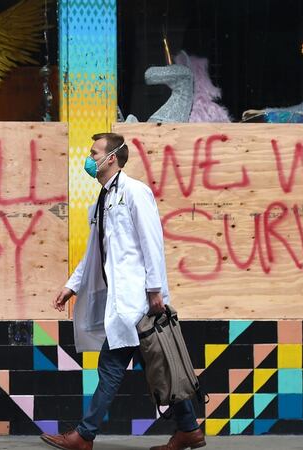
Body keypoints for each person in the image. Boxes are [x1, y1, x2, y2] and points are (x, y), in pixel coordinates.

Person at [40, 133, 206, 450]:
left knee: (112, 368)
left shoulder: (135, 192)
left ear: (111, 157)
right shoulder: (101, 201)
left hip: (139, 302)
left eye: (93, 153)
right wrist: (71, 285)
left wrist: (155, 289)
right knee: (159, 365)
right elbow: (94, 254)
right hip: (123, 304)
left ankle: (84, 435)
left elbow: (151, 240)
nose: (88, 159)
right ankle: (188, 429)